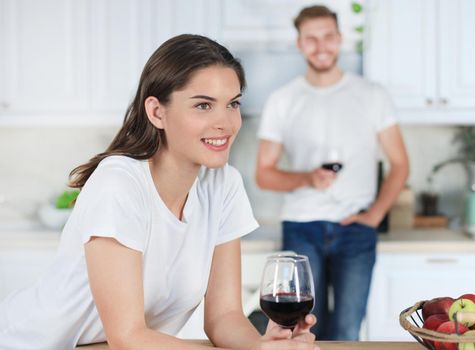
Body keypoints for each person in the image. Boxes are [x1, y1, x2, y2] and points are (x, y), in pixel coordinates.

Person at [0, 34, 319, 350]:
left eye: (232, 103)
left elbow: (224, 316)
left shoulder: (224, 185)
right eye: (204, 105)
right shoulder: (120, 185)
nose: (226, 122)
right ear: (156, 112)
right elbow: (128, 337)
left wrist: (264, 347)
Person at [255, 5, 410, 341]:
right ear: (299, 44)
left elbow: (400, 164)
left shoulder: (372, 95)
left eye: (327, 37)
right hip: (301, 227)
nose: (320, 46)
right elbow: (264, 175)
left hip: (356, 229)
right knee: (303, 331)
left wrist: (375, 214)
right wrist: (307, 179)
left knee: (346, 332)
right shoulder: (283, 100)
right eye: (311, 39)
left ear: (339, 39)